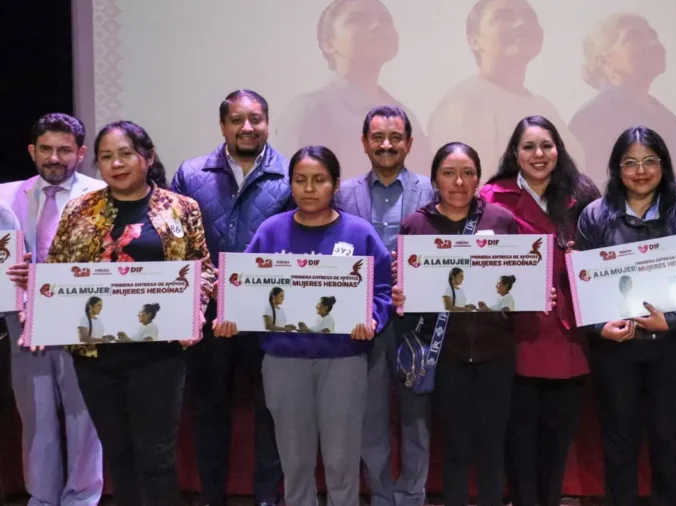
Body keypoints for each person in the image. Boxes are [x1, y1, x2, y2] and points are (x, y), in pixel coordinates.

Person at [8, 120, 216, 506]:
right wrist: (34, 285)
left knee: (156, 457)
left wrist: (195, 314)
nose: (116, 164)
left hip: (160, 356)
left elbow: (202, 272)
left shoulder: (180, 208)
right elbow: (59, 274)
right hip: (96, 358)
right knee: (118, 457)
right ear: (97, 165)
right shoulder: (80, 209)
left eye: (125, 154)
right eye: (106, 157)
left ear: (146, 157)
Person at [216, 145, 393, 506]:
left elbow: (384, 288)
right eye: (300, 180)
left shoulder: (359, 233)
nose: (309, 188)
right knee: (295, 462)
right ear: (290, 185)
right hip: (283, 361)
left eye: (319, 180)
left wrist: (373, 318)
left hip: (343, 361)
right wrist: (229, 314)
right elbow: (243, 285)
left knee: (342, 462)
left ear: (336, 185)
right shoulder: (270, 231)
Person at [169, 88, 291, 506]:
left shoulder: (291, 176)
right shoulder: (191, 175)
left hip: (267, 316)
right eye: (237, 120)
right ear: (223, 126)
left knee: (270, 412)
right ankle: (213, 497)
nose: (247, 127)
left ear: (267, 124)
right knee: (209, 412)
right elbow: (174, 244)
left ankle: (267, 498)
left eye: (256, 119)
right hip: (208, 317)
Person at [575, 126, 676, 506]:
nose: (641, 171)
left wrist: (675, 320)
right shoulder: (595, 216)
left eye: (649, 161)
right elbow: (582, 283)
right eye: (630, 163)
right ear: (616, 168)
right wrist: (601, 328)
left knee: (671, 441)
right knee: (619, 440)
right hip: (616, 347)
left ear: (663, 165)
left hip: (672, 347)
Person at [480, 115, 600, 506]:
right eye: (528, 146)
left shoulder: (582, 194)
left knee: (556, 438)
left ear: (558, 149)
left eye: (546, 145)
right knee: (519, 438)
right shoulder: (491, 197)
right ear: (515, 152)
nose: (538, 154)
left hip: (569, 334)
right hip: (514, 334)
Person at [396, 142, 519, 506]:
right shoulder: (416, 225)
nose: (459, 182)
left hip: (496, 353)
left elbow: (518, 283)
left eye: (467, 173)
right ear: (435, 178)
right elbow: (405, 291)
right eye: (449, 173)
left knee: (491, 448)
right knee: (454, 448)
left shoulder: (501, 221)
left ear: (479, 178)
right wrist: (402, 298)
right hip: (444, 356)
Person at [0, 113, 105, 506]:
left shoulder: (102, 196)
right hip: (22, 323)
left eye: (64, 150)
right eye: (46, 149)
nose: (54, 158)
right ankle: (42, 499)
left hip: (83, 321)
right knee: (37, 416)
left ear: (80, 154)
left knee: (85, 417)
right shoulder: (4, 197)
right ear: (32, 151)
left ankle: (82, 497)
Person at [336, 104, 435, 506]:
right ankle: (380, 494)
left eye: (395, 137)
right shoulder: (344, 194)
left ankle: (411, 495)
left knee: (416, 415)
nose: (387, 144)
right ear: (364, 143)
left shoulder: (431, 191)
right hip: (366, 319)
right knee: (370, 415)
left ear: (410, 143)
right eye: (378, 137)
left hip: (419, 319)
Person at [428, 0, 584, 178]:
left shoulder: (542, 107)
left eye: (530, 17)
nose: (521, 24)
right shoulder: (463, 106)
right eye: (504, 17)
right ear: (474, 41)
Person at [277, 0, 431, 177]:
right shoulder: (311, 110)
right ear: (328, 44)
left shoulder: (405, 116)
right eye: (358, 20)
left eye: (385, 20)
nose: (376, 26)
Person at [569, 13, 676, 192]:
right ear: (604, 61)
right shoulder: (594, 117)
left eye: (653, 35)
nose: (653, 44)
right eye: (633, 37)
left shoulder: (661, 113)